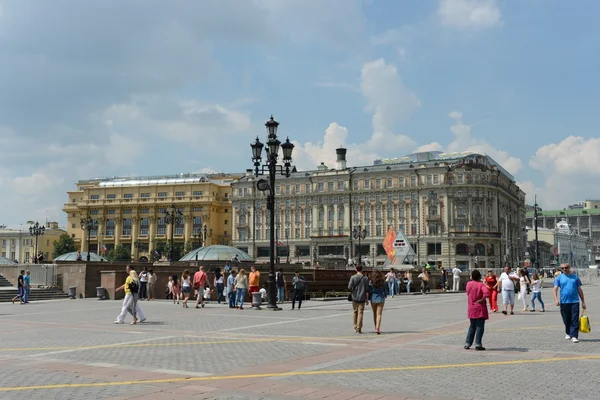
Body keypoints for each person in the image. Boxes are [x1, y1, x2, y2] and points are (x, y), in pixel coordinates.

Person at [553, 263, 586, 343]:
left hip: (575, 301)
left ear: (569, 268)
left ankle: (574, 336)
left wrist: (583, 301)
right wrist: (556, 299)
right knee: (566, 319)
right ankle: (568, 332)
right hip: (564, 302)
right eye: (562, 268)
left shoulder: (575, 278)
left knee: (574, 319)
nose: (564, 269)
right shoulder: (559, 278)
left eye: (566, 268)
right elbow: (555, 289)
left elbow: (579, 290)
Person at [464, 270, 490, 351]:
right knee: (480, 326)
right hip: (479, 308)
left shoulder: (469, 284)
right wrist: (482, 299)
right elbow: (487, 293)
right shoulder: (481, 284)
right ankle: (478, 344)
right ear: (479, 276)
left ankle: (467, 343)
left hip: (471, 307)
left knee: (472, 326)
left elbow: (467, 292)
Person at [348, 265, 369, 334]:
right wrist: (367, 299)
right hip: (362, 298)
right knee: (360, 313)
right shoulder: (365, 278)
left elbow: (349, 287)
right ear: (362, 269)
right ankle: (359, 328)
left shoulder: (352, 277)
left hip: (354, 298)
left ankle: (355, 326)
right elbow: (367, 290)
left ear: (356, 269)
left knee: (355, 312)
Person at [369, 270, 386, 334]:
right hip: (381, 298)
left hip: (373, 298)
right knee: (379, 314)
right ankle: (377, 327)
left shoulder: (371, 282)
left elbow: (370, 290)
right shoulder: (382, 282)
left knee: (374, 313)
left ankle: (375, 326)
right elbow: (385, 290)